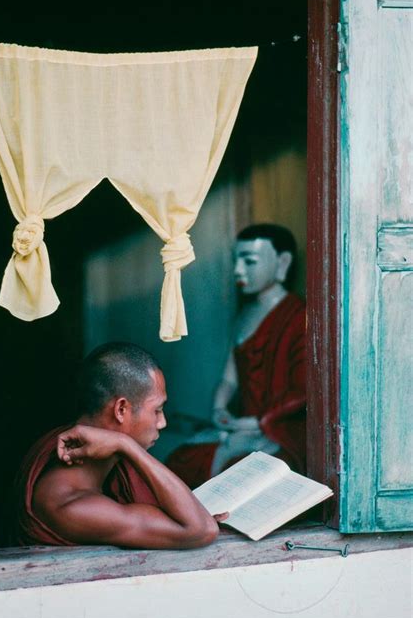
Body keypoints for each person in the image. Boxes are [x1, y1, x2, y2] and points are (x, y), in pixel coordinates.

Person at [15, 342, 226, 549]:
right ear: (121, 410)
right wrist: (124, 444)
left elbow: (196, 523)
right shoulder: (68, 505)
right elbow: (200, 530)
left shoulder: (89, 456)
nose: (162, 423)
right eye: (157, 410)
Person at [166, 224, 306, 488]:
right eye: (236, 261)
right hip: (242, 425)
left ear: (282, 262)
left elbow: (303, 391)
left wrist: (256, 422)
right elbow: (230, 379)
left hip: (279, 429)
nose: (238, 270)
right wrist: (220, 408)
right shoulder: (243, 317)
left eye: (249, 261)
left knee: (241, 473)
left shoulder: (300, 317)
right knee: (183, 460)